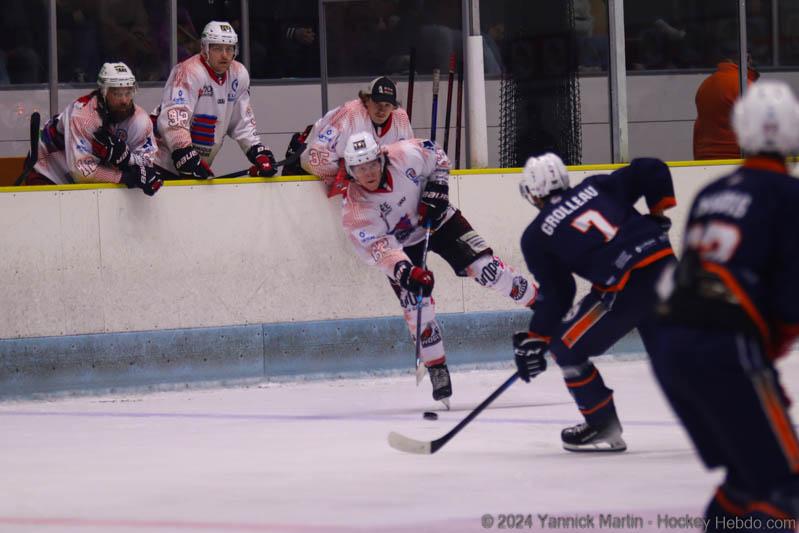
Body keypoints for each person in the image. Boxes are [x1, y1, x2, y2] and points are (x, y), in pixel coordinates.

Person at [653, 80, 799, 531]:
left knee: (745, 479)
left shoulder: (711, 193)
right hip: (726, 345)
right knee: (786, 490)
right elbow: (790, 302)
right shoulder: (790, 196)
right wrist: (761, 369)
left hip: (669, 346)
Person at [341, 132, 537, 406]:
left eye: (372, 164)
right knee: (415, 302)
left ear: (382, 157)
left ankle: (541, 303)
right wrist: (406, 272)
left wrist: (438, 188)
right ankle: (437, 368)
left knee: (486, 269)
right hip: (401, 245)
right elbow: (380, 249)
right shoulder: (355, 209)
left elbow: (439, 158)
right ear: (351, 172)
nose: (368, 172)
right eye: (360, 168)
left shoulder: (405, 153)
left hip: (439, 220)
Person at [513, 152, 676, 452]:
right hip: (666, 267)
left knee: (566, 347)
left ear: (532, 193)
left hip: (625, 288)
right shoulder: (598, 186)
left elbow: (559, 293)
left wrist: (538, 338)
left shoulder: (536, 236)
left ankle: (602, 424)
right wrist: (658, 215)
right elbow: (652, 167)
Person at [152, 21, 277, 180]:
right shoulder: (189, 71)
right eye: (218, 48)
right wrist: (185, 153)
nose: (225, 55)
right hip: (161, 163)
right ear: (205, 48)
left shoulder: (239, 74)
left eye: (229, 48)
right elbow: (175, 117)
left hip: (195, 166)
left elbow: (242, 121)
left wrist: (257, 151)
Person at [28, 62, 162, 196]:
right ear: (103, 92)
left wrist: (127, 159)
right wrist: (126, 178)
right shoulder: (82, 116)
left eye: (128, 93)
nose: (124, 101)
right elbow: (82, 172)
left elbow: (148, 161)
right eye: (117, 94)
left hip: (78, 177)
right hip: (47, 171)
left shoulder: (140, 120)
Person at [298, 76, 413, 196]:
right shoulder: (350, 114)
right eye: (377, 103)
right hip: (324, 181)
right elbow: (311, 158)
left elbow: (410, 160)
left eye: (387, 105)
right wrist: (349, 173)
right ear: (367, 100)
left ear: (394, 107)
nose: (381, 110)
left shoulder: (401, 119)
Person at [693, 51, 759, 160]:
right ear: (745, 59)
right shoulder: (745, 86)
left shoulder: (705, 85)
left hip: (704, 158)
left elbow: (699, 126)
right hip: (736, 158)